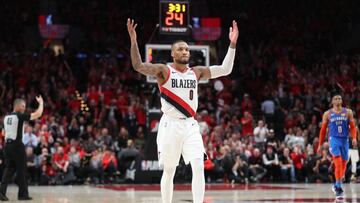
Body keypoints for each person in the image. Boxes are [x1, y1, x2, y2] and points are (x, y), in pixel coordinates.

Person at [127, 18, 238, 203]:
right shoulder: (164, 70)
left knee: (198, 166)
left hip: (190, 125)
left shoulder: (196, 72)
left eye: (187, 49)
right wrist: (133, 41)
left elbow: (225, 69)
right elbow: (138, 66)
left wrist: (232, 44)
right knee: (169, 171)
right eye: (180, 49)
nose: (185, 51)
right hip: (170, 124)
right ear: (172, 53)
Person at [0, 96, 44, 201]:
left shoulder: (6, 118)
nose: (24, 108)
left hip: (7, 146)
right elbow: (38, 114)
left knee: (9, 169)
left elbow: (3, 133)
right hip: (17, 145)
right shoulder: (19, 116)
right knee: (22, 169)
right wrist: (41, 103)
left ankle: (1, 192)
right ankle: (22, 194)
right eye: (23, 106)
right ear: (18, 106)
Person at [317, 91, 357, 198]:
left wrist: (354, 138)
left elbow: (353, 127)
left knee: (344, 162)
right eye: (336, 98)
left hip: (345, 140)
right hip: (334, 139)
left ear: (342, 100)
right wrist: (320, 144)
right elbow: (323, 130)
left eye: (340, 98)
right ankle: (338, 186)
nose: (338, 100)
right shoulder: (327, 114)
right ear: (332, 101)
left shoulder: (348, 112)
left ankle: (336, 183)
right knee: (338, 162)